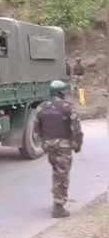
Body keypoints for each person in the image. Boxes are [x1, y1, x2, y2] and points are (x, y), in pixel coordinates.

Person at [35, 80, 84, 218]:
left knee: (56, 171)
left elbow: (36, 129)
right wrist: (77, 145)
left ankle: (57, 199)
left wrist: (44, 143)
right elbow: (76, 129)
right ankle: (58, 206)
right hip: (63, 145)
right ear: (62, 93)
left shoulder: (41, 107)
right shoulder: (67, 107)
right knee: (62, 173)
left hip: (49, 145)